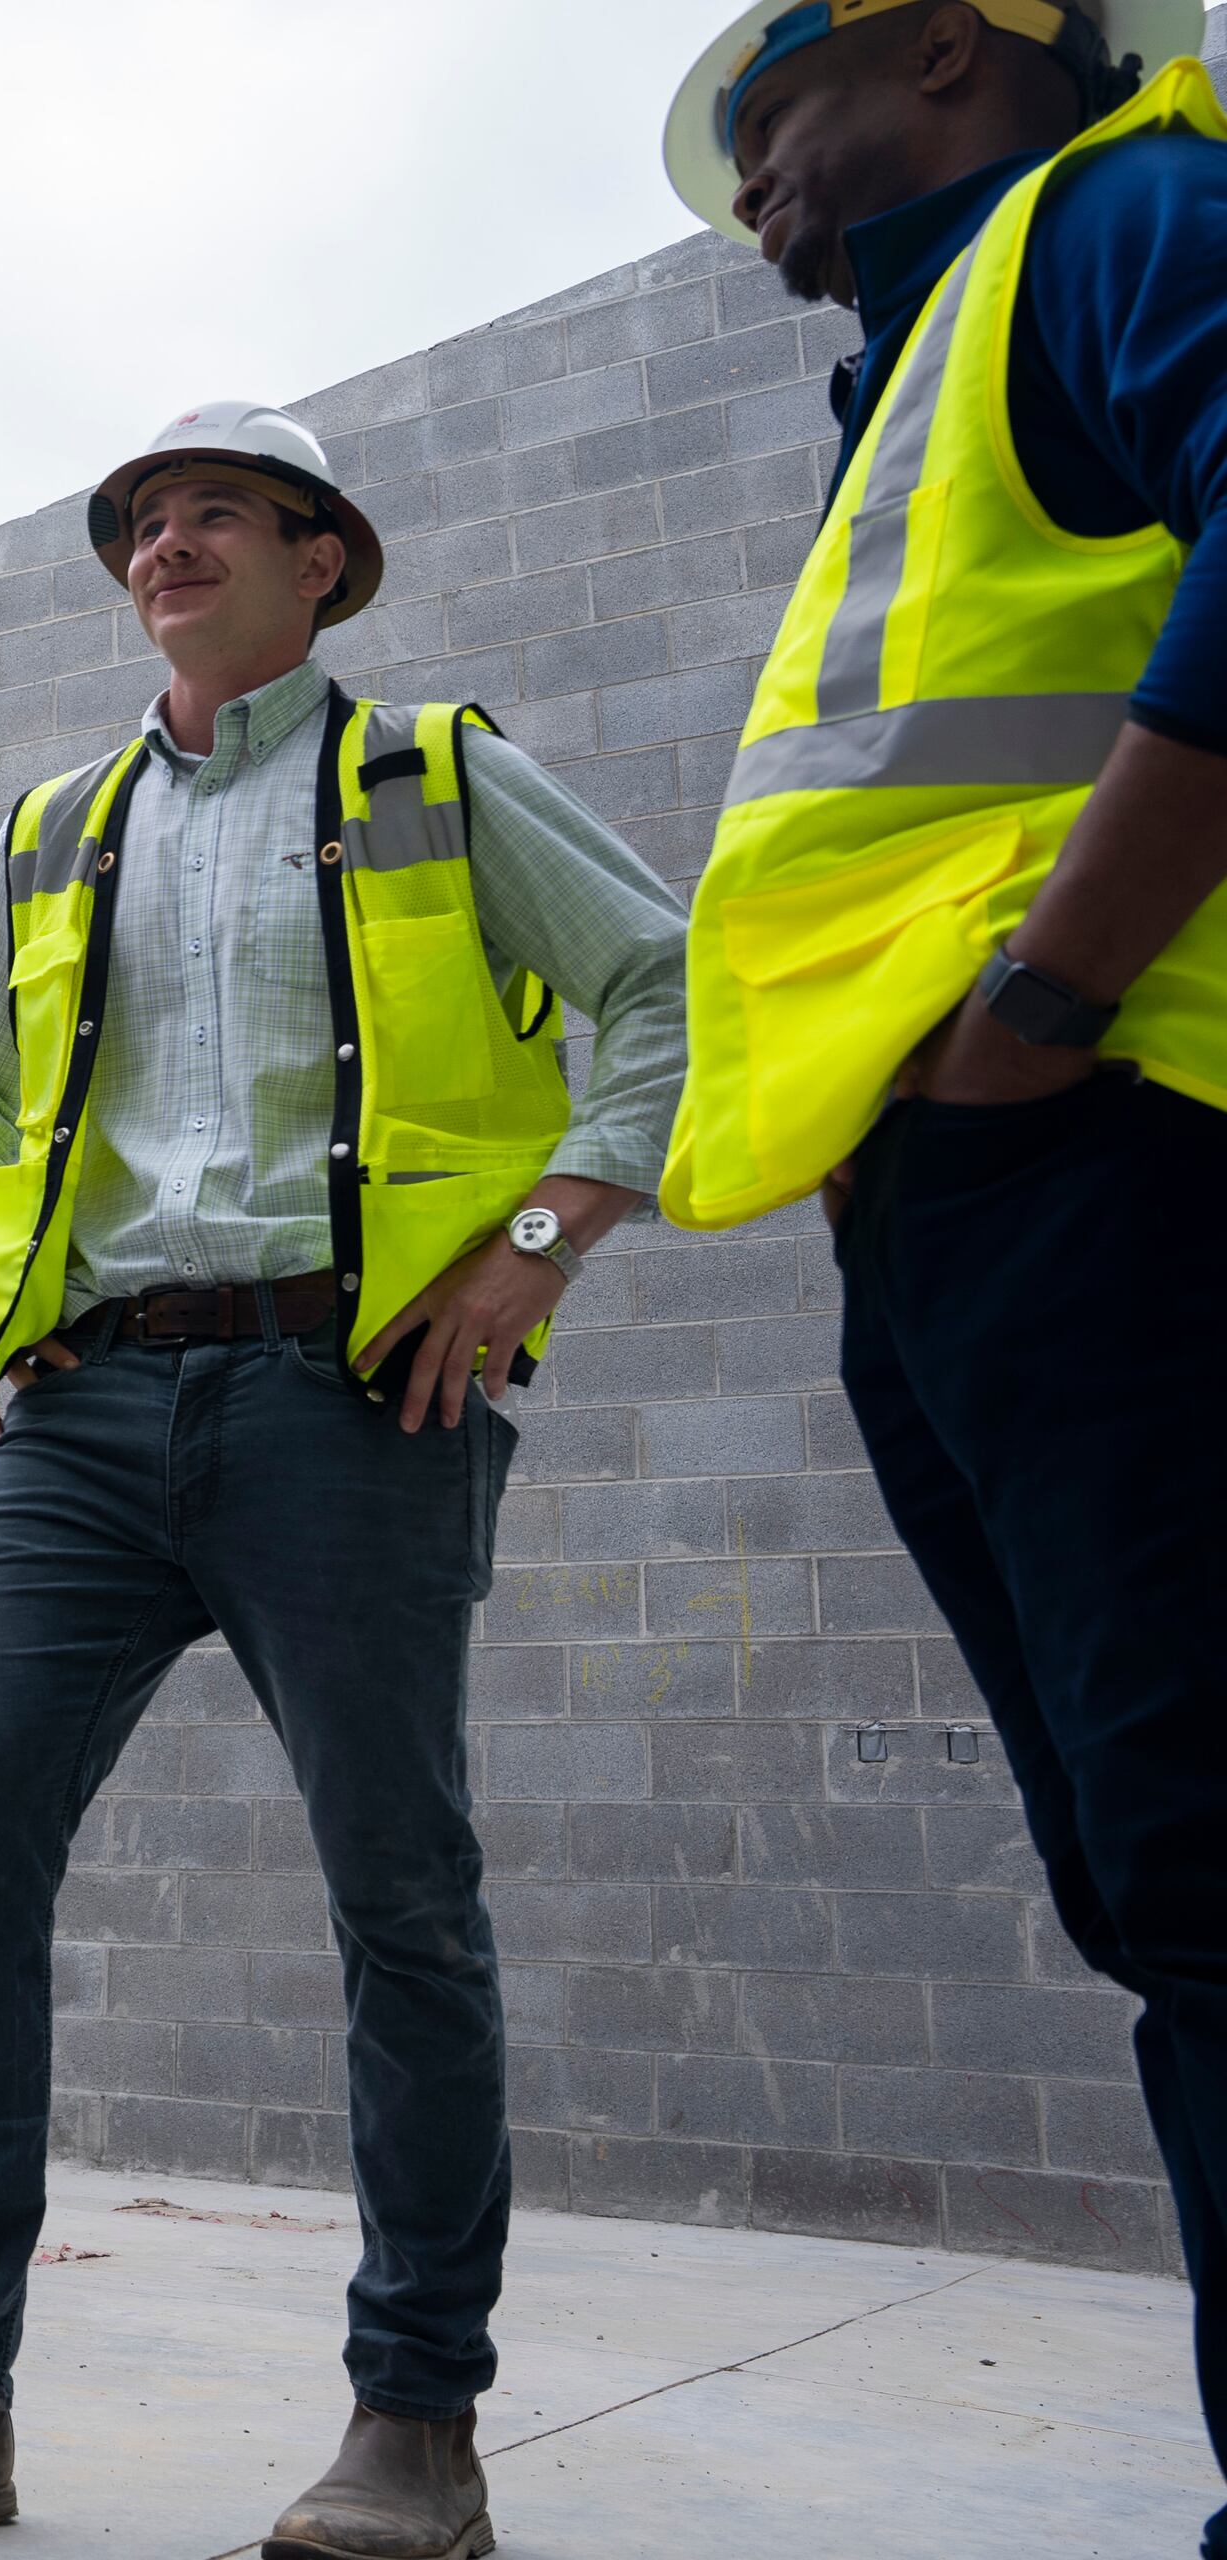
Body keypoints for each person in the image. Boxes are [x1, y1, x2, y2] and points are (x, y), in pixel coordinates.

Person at [0, 404, 694, 2553]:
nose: (167, 544)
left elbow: (658, 979)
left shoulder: (430, 778)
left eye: (214, 513)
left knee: (397, 1885)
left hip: (356, 1395)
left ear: (322, 560)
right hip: (82, 1414)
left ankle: (417, 2419)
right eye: (142, 523)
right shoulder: (57, 826)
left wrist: (539, 1241)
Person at [654, 7, 1227, 2549]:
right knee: (1165, 1889)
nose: (750, 178)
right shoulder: (921, 370)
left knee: (1209, 1862)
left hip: (1124, 1142)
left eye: (769, 117)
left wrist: (1042, 1007)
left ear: (942, 56)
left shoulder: (1106, 222)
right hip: (987, 1195)